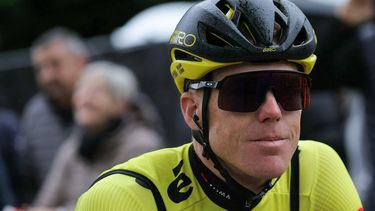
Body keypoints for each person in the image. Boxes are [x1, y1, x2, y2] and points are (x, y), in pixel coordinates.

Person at [76, 0, 363, 210]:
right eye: (244, 93)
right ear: (192, 111)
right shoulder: (124, 199)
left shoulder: (315, 169)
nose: (273, 112)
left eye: (290, 91)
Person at [26, 61, 164, 211]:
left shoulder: (141, 145)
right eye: (81, 88)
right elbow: (45, 202)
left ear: (121, 104)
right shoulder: (73, 147)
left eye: (97, 90)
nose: (85, 97)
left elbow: (119, 205)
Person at [20, 27, 89, 199]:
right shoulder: (34, 114)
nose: (46, 77)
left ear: (82, 62)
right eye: (39, 69)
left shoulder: (115, 100)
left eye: (55, 64)